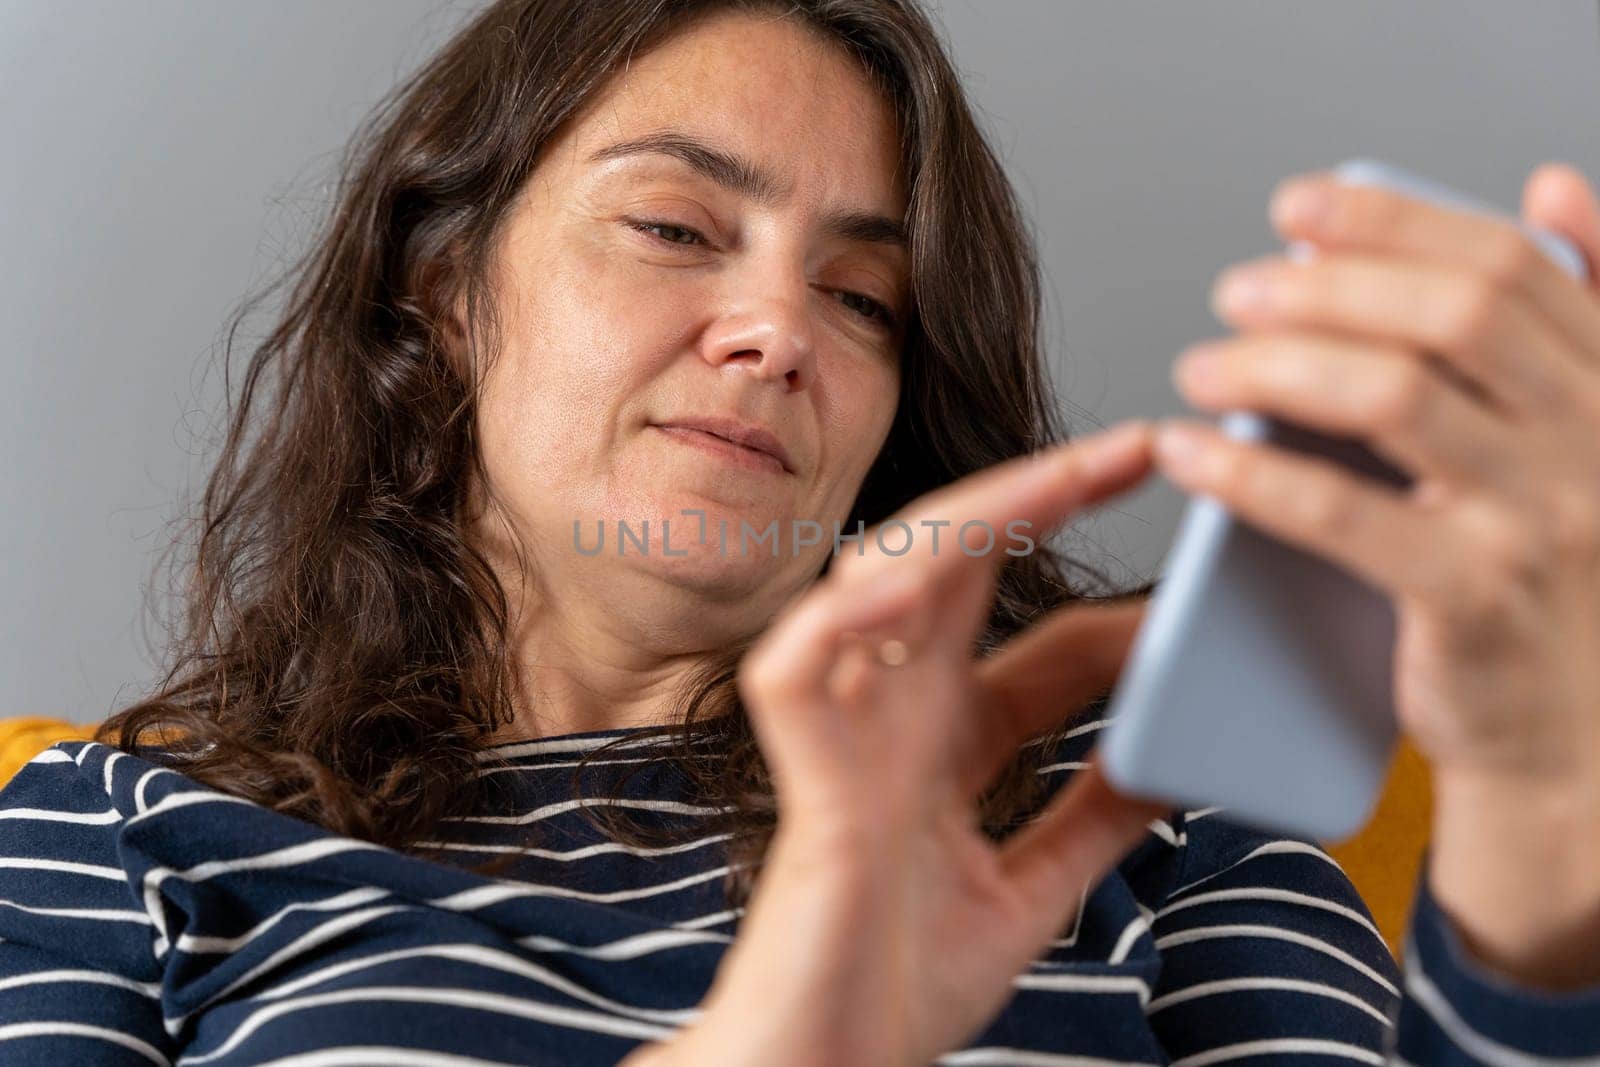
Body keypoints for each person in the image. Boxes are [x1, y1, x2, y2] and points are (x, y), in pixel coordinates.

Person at [2, 0, 1597, 1063]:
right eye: (675, 228)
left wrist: (1542, 835)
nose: (779, 331)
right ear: (448, 295)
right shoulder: (118, 821)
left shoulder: (1134, 809)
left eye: (861, 297)